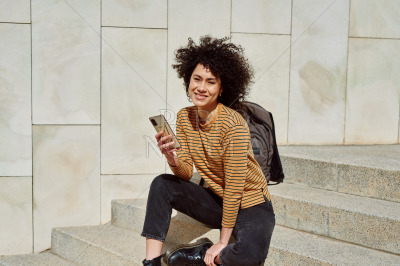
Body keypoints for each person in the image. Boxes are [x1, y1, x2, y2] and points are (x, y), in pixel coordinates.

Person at [141, 36, 275, 266]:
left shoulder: (233, 124)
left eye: (211, 82)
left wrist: (222, 242)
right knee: (161, 184)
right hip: (218, 201)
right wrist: (171, 157)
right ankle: (151, 262)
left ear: (221, 88)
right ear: (188, 81)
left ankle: (202, 253)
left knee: (251, 254)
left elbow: (234, 187)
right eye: (197, 79)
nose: (201, 88)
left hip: (252, 203)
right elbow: (184, 173)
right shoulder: (184, 117)